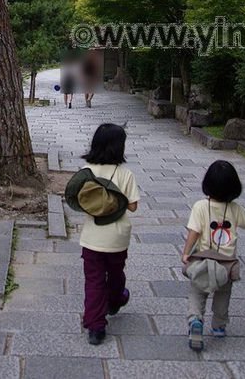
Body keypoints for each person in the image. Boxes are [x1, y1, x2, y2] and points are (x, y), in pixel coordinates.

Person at [182, 160, 245, 351]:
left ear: (207, 184)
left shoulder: (200, 206)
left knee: (198, 291)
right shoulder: (235, 209)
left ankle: (195, 320)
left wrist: (186, 252)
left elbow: (194, 232)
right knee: (223, 295)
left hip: (202, 261)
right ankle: (219, 325)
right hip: (227, 264)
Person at [74, 123, 140, 345]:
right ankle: (116, 299)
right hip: (117, 237)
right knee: (116, 273)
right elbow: (132, 207)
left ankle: (95, 326)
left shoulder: (86, 172)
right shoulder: (125, 174)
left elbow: (78, 200)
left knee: (93, 280)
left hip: (92, 236)